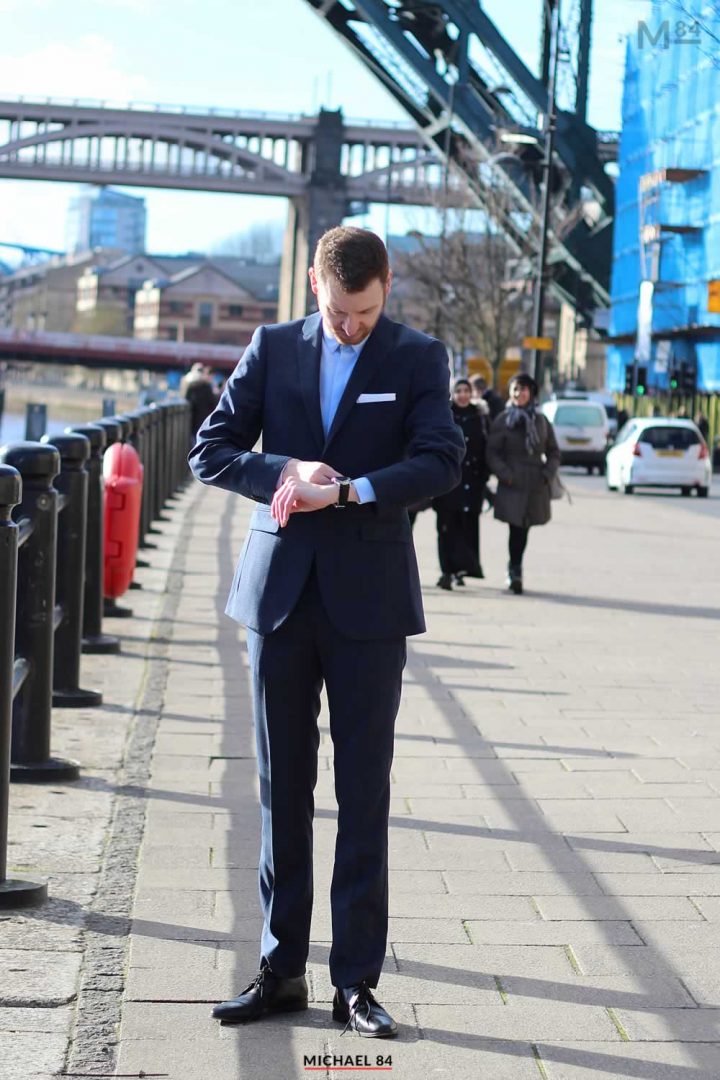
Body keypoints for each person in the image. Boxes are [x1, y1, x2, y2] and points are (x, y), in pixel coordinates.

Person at [188, 227, 464, 1038]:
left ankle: (356, 983)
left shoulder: (417, 357)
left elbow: (442, 460)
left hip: (370, 604)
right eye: (340, 311)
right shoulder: (272, 346)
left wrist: (346, 493)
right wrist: (284, 471)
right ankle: (280, 969)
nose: (351, 327)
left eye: (367, 312)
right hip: (277, 599)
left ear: (389, 288)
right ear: (314, 282)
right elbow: (212, 449)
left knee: (365, 793)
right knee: (282, 791)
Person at [486, 372, 560, 595]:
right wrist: (505, 474)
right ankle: (515, 569)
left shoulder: (541, 420)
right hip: (512, 482)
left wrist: (547, 474)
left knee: (525, 527)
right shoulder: (503, 420)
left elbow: (553, 451)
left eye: (524, 389)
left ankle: (516, 566)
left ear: (532, 393)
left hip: (536, 482)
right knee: (515, 526)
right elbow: (492, 451)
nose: (519, 393)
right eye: (515, 389)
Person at [433, 378, 488, 589]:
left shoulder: (480, 417)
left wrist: (484, 477)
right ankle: (446, 570)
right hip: (447, 483)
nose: (463, 395)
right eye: (459, 391)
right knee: (446, 528)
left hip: (472, 483)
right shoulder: (444, 415)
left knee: (466, 528)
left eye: (466, 390)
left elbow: (486, 448)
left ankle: (462, 569)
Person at [183, 363, 218, 436]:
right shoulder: (206, 387)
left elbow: (186, 399)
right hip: (202, 421)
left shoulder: (190, 385)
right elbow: (213, 404)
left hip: (194, 420)